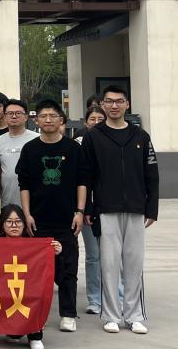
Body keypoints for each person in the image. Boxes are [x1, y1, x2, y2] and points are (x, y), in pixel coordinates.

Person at [82, 84, 159, 335]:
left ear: (127, 105)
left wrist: (152, 208)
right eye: (109, 101)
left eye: (119, 101)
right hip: (106, 208)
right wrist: (88, 207)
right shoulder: (94, 136)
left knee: (134, 263)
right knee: (109, 263)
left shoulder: (140, 136)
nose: (114, 106)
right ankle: (111, 315)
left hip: (136, 208)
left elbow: (152, 174)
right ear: (102, 105)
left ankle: (134, 315)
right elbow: (86, 176)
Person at [18, 98, 87, 333]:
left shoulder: (73, 148)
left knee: (67, 268)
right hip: (38, 219)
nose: (48, 120)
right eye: (43, 116)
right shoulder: (30, 149)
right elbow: (24, 184)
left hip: (67, 219)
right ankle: (38, 313)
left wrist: (80, 211)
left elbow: (82, 181)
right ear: (36, 121)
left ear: (61, 120)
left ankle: (68, 313)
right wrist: (27, 214)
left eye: (53, 116)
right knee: (37, 270)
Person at [0, 204, 63, 349]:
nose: (14, 226)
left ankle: (35, 335)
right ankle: (13, 331)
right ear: (2, 225)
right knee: (13, 335)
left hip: (27, 288)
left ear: (24, 223)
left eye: (18, 222)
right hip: (4, 288)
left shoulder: (35, 244)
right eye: (9, 222)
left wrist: (56, 254)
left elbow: (52, 272)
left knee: (35, 296)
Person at [77, 104, 108, 314]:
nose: (96, 123)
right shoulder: (79, 144)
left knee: (113, 255)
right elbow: (80, 181)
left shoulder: (113, 142)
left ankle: (115, 297)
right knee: (93, 255)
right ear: (85, 122)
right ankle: (95, 299)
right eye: (92, 119)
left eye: (100, 119)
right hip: (87, 209)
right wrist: (83, 209)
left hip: (110, 207)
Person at [0, 99, 39, 207]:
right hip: (7, 202)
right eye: (10, 113)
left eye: (18, 113)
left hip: (34, 202)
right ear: (5, 117)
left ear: (26, 117)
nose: (14, 116)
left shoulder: (37, 139)